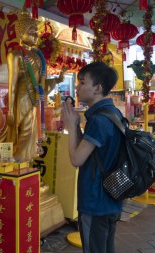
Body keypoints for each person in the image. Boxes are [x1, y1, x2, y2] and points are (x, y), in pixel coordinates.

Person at [61, 62, 123, 253]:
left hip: (95, 202)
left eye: (82, 82)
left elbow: (77, 159)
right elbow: (89, 152)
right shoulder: (113, 113)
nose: (77, 88)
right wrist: (77, 125)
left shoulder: (98, 120)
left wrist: (71, 127)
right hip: (112, 197)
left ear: (98, 88)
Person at [0, 10, 65, 161]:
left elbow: (41, 84)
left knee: (32, 134)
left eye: (36, 32)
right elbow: (12, 86)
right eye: (31, 32)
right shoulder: (15, 55)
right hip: (22, 98)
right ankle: (19, 162)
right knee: (23, 132)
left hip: (35, 100)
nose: (36, 35)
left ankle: (27, 164)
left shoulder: (38, 56)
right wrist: (11, 111)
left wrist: (57, 80)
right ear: (21, 33)